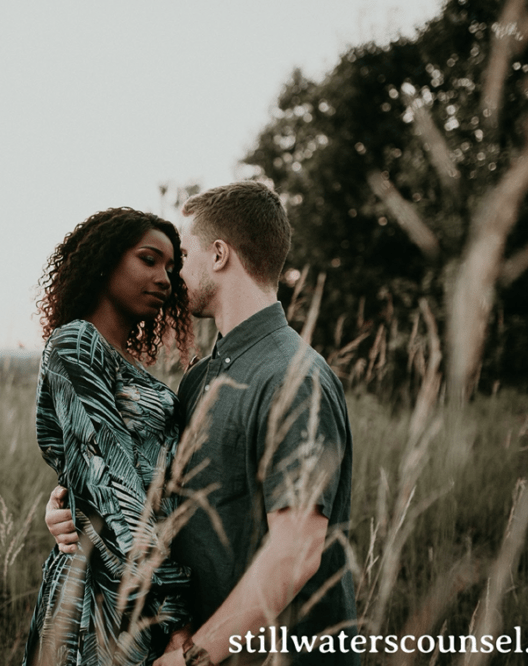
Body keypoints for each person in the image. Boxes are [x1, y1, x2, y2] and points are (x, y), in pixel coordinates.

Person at [46, 181, 357, 666]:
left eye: (182, 256)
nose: (173, 276)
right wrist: (75, 510)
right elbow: (144, 495)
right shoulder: (198, 379)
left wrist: (196, 656)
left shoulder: (295, 377)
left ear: (217, 255)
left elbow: (296, 549)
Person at [22, 207, 197, 666]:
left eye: (172, 267)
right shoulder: (75, 345)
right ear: (104, 261)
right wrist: (174, 615)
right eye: (149, 259)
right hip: (104, 597)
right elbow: (112, 488)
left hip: (142, 586)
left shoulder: (127, 363)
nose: (165, 277)